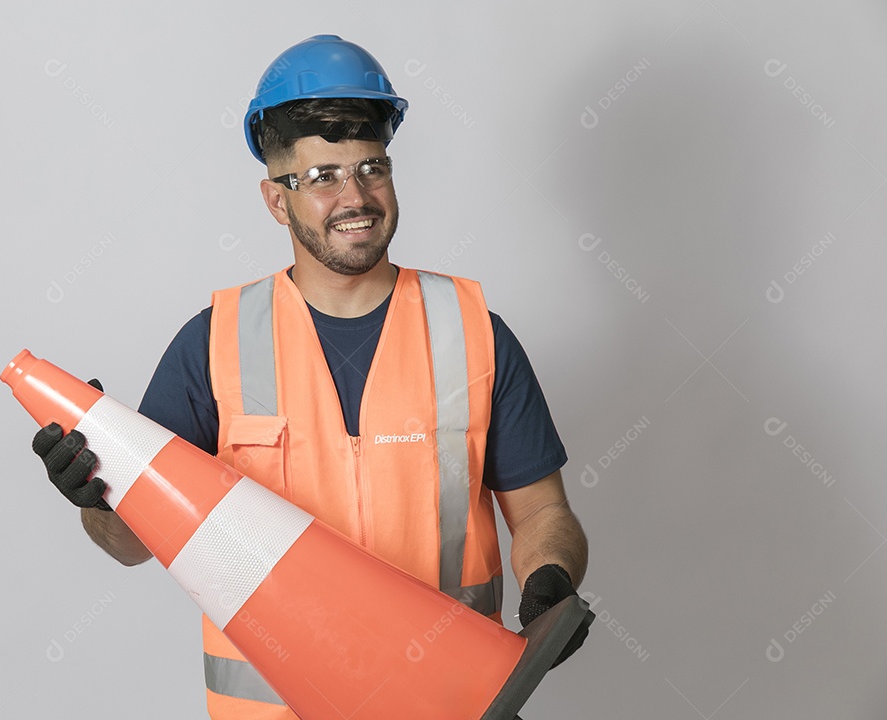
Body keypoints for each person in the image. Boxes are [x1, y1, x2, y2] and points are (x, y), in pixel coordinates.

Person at [32, 34, 589, 719]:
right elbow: (133, 546)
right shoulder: (212, 345)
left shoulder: (475, 333)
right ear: (276, 200)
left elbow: (542, 512)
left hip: (450, 704)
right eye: (323, 175)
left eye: (371, 167)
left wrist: (550, 580)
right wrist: (97, 495)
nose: (355, 195)